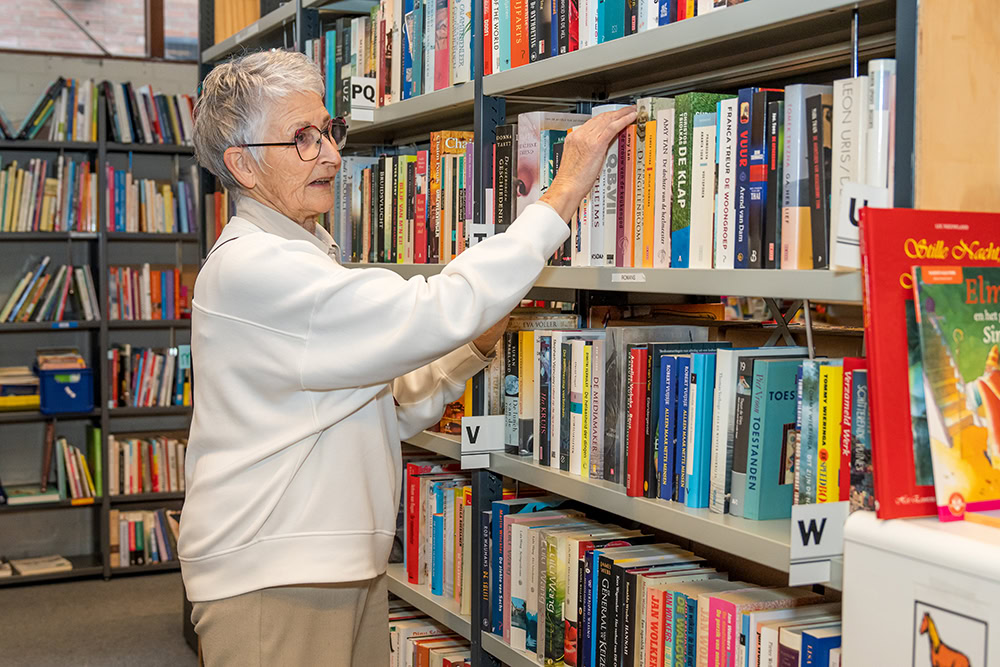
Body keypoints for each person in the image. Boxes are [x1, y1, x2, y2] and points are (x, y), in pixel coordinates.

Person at [179, 49, 635, 666]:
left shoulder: (301, 255)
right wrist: (563, 191)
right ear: (244, 165)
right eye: (301, 138)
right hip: (276, 576)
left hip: (322, 568)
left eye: (328, 131)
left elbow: (375, 409)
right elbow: (434, 307)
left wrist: (471, 344)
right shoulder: (258, 268)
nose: (332, 156)